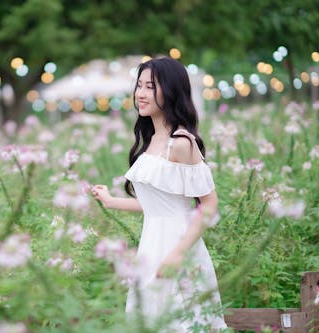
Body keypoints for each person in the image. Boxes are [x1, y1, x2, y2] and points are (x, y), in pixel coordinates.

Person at [91, 57, 228, 332]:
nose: (140, 94)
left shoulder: (181, 143)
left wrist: (178, 254)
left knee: (181, 320)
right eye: (139, 86)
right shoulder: (152, 140)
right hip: (151, 246)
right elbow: (155, 206)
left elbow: (209, 205)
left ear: (171, 90)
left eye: (150, 87)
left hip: (178, 246)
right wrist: (110, 200)